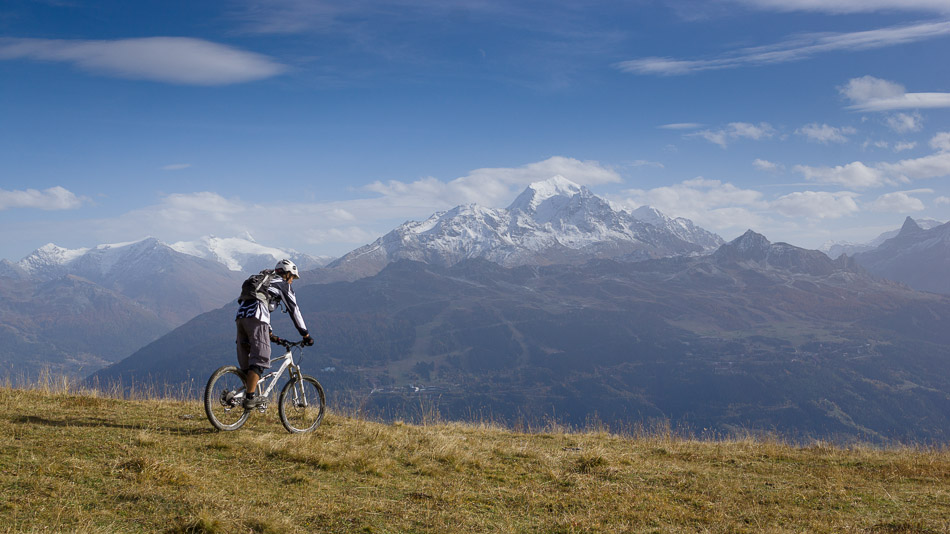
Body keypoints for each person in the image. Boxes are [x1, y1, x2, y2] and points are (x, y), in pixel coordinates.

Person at [235, 259, 313, 409]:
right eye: (292, 278)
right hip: (257, 316)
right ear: (288, 274)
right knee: (261, 358)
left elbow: (261, 301)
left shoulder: (266, 280)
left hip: (241, 316)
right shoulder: (284, 285)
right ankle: (250, 398)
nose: (292, 281)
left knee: (247, 362)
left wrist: (269, 331)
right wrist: (306, 335)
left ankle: (242, 396)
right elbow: (294, 310)